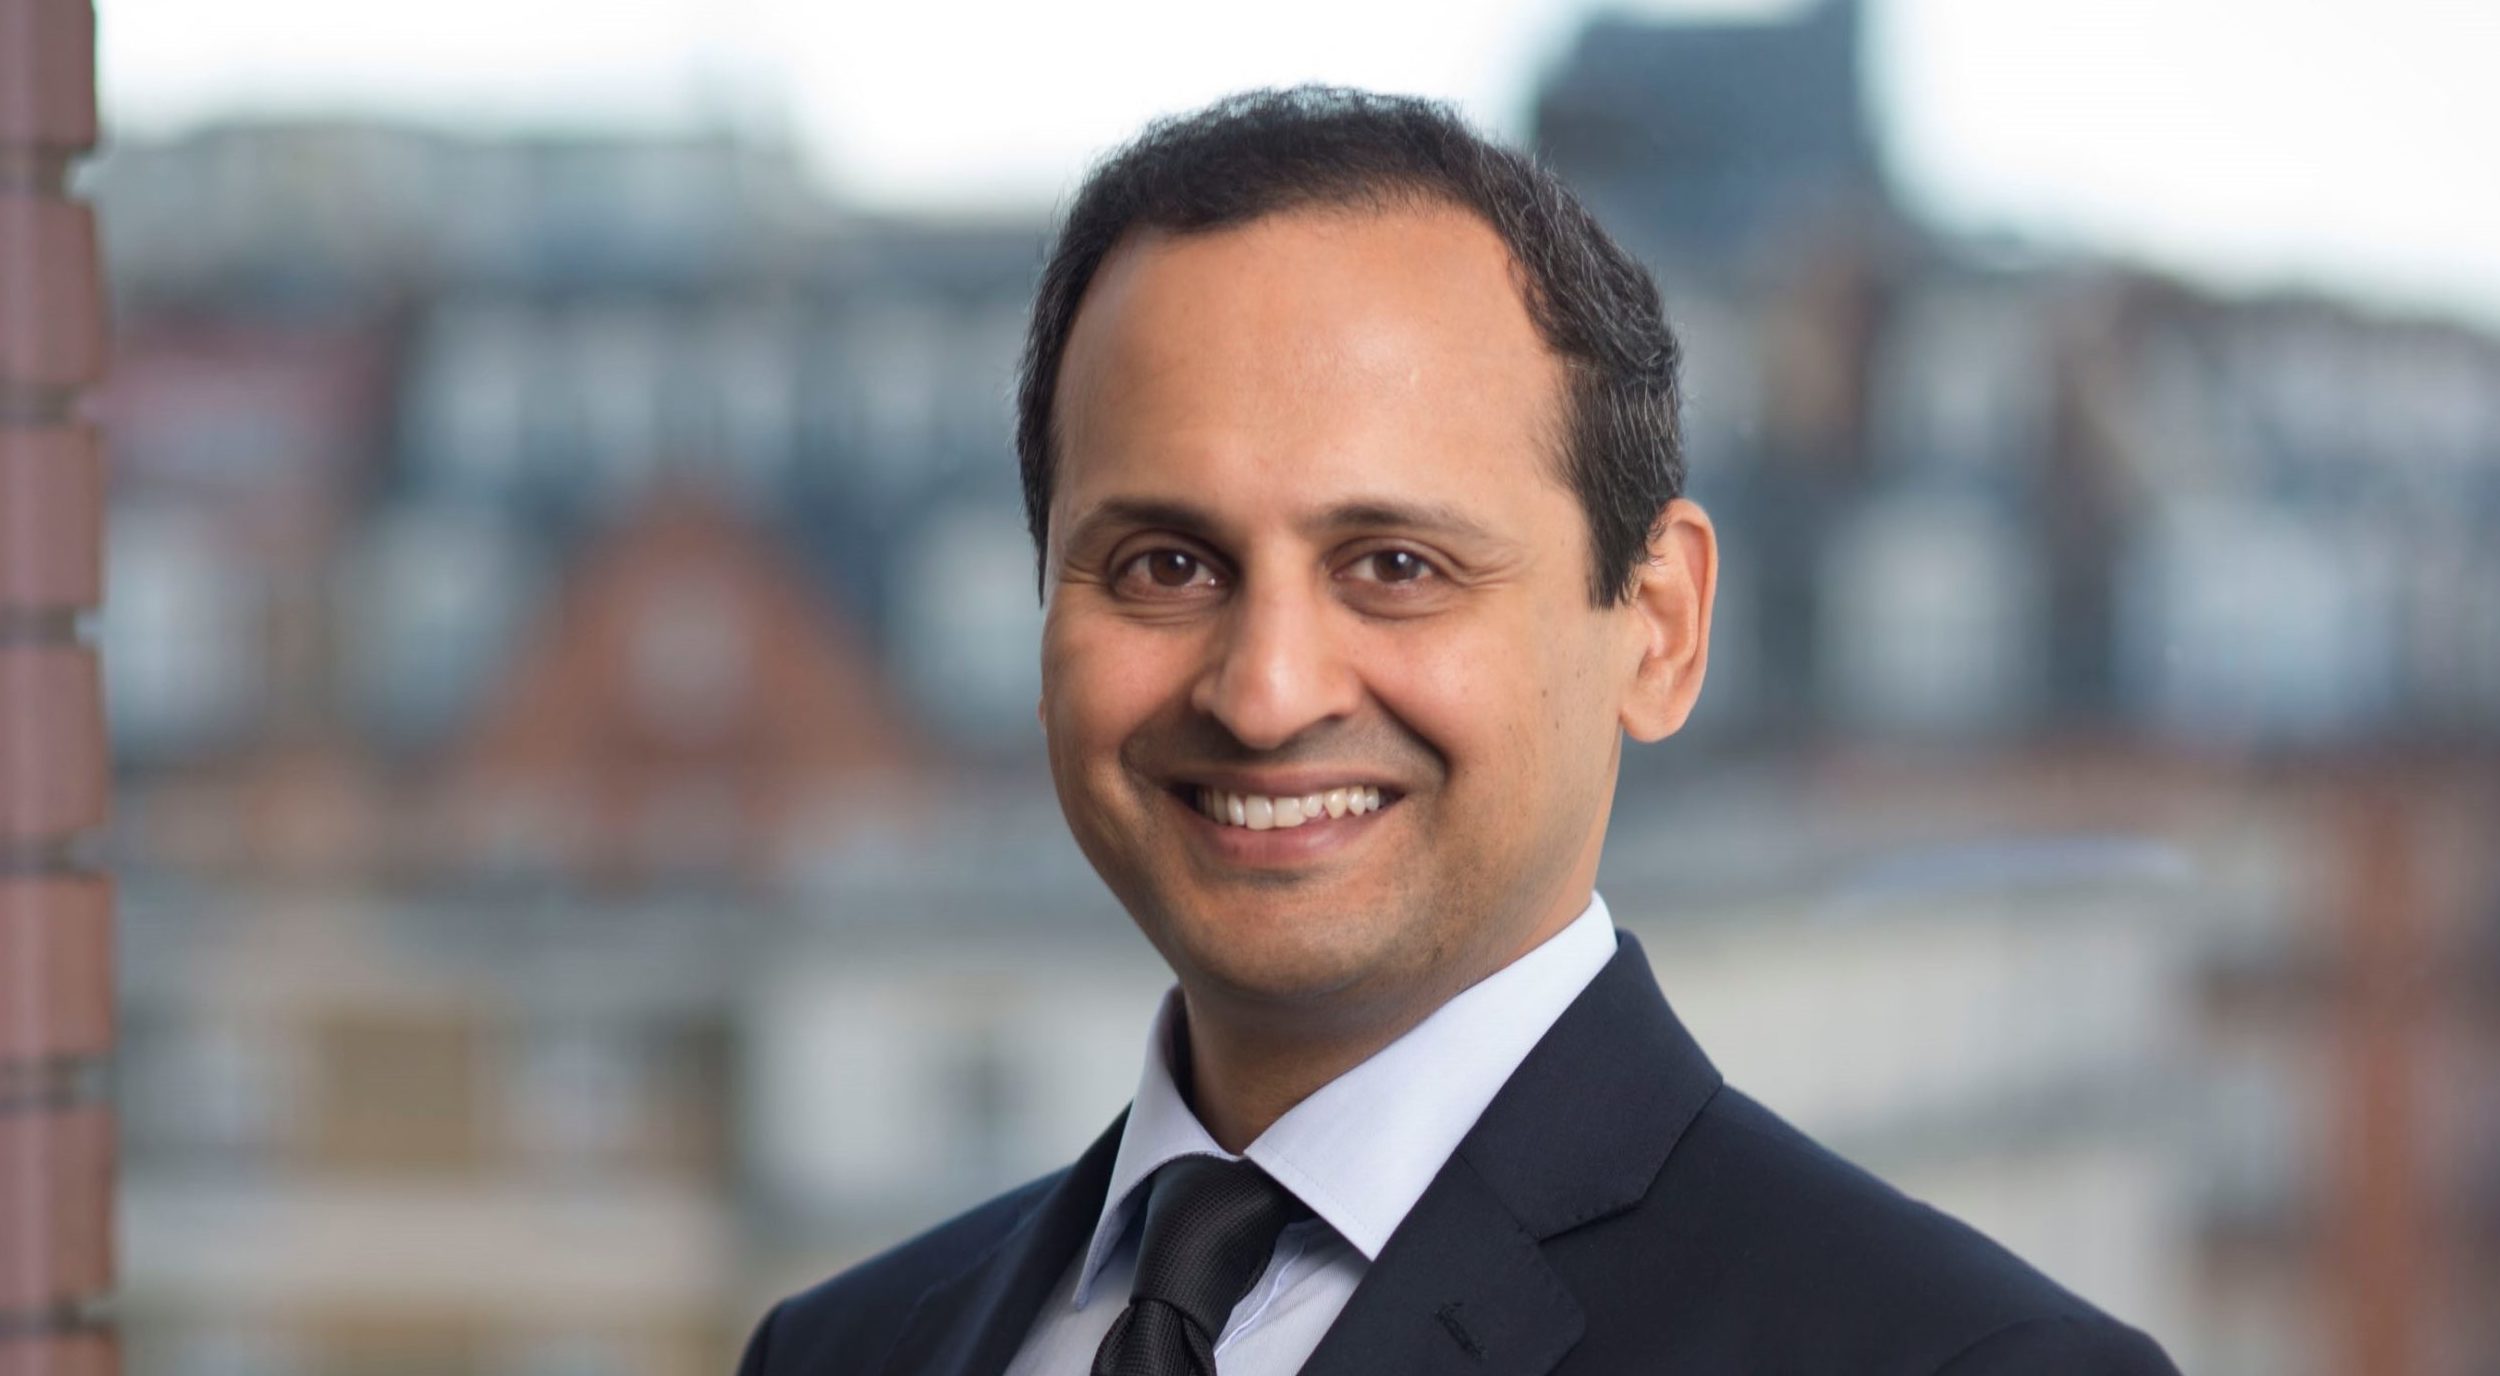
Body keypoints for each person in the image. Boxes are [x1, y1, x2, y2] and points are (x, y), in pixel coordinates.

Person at [736, 86, 2180, 1376]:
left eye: (1394, 565)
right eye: (1165, 566)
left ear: (1659, 628)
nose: (1265, 692)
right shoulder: (841, 1352)